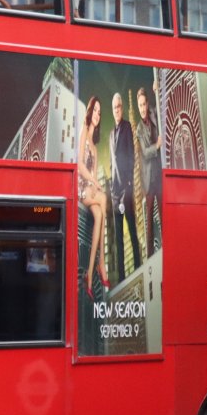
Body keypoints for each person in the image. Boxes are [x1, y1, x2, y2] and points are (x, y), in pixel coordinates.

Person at [78, 96, 110, 294]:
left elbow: (94, 174)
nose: (97, 115)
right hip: (80, 187)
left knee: (99, 214)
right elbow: (80, 165)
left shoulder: (96, 148)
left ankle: (90, 274)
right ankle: (102, 263)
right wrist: (95, 183)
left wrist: (96, 186)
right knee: (104, 198)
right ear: (90, 111)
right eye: (95, 110)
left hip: (90, 189)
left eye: (100, 112)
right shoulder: (83, 132)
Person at [109, 92, 142, 275]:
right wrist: (111, 189)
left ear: (122, 108)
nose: (117, 110)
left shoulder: (128, 127)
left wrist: (129, 182)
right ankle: (121, 278)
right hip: (115, 194)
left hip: (126, 190)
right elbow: (111, 163)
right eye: (114, 107)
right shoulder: (111, 134)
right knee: (119, 238)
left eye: (119, 107)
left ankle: (139, 268)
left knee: (131, 229)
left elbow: (131, 156)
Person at [136, 85, 163, 256]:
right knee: (149, 223)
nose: (143, 108)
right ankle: (150, 256)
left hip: (159, 175)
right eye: (140, 105)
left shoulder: (153, 113)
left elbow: (160, 107)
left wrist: (156, 91)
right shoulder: (138, 129)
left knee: (163, 215)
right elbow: (145, 152)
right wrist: (157, 146)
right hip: (147, 180)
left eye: (144, 104)